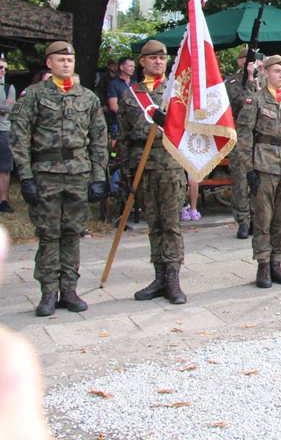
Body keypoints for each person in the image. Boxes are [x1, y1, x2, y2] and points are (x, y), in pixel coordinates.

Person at [11, 41, 108, 316]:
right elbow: (19, 139)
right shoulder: (33, 95)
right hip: (46, 175)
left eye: (70, 60)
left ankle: (69, 289)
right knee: (48, 234)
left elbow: (100, 139)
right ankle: (47, 293)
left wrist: (98, 175)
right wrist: (26, 177)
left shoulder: (87, 98)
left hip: (78, 174)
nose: (67, 64)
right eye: (60, 60)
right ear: (49, 63)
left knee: (72, 233)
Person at [116, 40, 188, 304]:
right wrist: (125, 170)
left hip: (170, 165)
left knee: (171, 225)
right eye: (153, 58)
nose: (159, 61)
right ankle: (159, 277)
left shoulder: (178, 93)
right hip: (142, 167)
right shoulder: (130, 94)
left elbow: (189, 130)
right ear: (142, 62)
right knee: (154, 225)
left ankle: (173, 279)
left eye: (162, 57)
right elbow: (123, 134)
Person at [234, 55, 281, 288]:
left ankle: (277, 263)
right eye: (277, 72)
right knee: (263, 218)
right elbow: (243, 136)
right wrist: (248, 168)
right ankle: (263, 265)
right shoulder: (254, 100)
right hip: (263, 164)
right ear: (265, 73)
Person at [225, 48, 261, 239]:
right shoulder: (232, 82)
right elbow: (244, 102)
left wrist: (256, 81)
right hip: (240, 135)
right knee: (240, 180)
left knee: (259, 180)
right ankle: (243, 220)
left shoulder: (262, 79)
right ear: (240, 62)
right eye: (248, 60)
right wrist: (249, 80)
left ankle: (257, 218)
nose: (253, 63)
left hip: (260, 136)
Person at [0, 59, 16, 213]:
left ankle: (3, 201)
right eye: (0, 67)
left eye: (5, 68)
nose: (3, 71)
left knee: (4, 168)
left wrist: (5, 108)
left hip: (4, 131)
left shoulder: (9, 87)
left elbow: (10, 108)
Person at [105, 57, 135, 134]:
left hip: (134, 123)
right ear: (121, 67)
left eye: (133, 66)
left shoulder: (135, 84)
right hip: (119, 123)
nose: (133, 68)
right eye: (130, 66)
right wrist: (126, 118)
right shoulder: (114, 84)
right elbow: (113, 106)